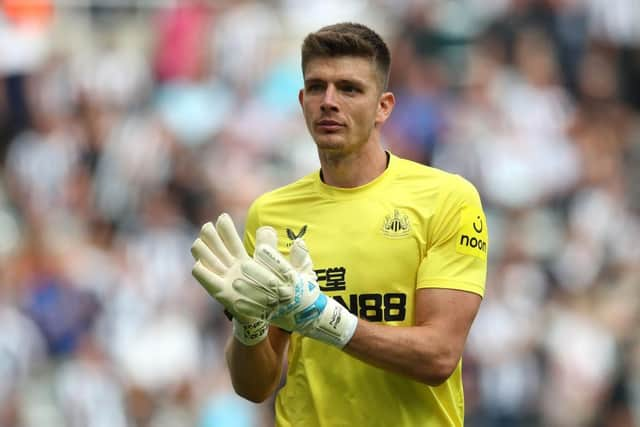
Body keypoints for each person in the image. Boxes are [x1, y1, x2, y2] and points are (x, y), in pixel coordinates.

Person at [191, 22, 488, 426]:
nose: (329, 101)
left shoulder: (447, 199)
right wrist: (248, 325)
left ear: (384, 106)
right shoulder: (270, 215)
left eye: (349, 88)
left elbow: (438, 355)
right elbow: (254, 387)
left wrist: (323, 317)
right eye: (317, 87)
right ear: (301, 100)